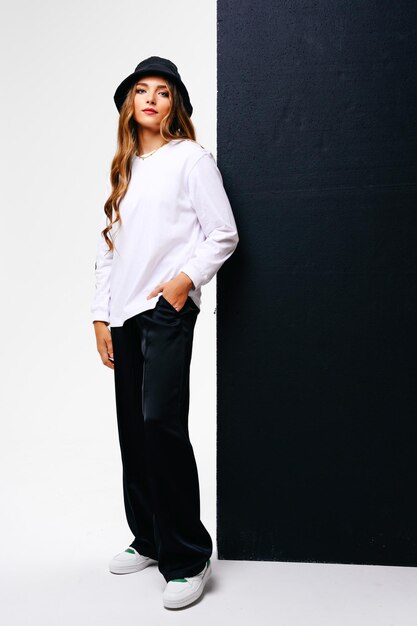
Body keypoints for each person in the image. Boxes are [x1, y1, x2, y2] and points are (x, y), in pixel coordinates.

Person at [91, 56, 239, 610]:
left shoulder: (191, 160)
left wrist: (181, 284)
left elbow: (223, 234)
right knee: (134, 430)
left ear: (175, 104)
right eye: (141, 91)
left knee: (162, 425)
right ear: (129, 104)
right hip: (125, 317)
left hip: (166, 310)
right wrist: (100, 316)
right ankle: (149, 538)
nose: (151, 99)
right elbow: (109, 251)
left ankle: (188, 556)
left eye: (163, 92)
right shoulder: (124, 172)